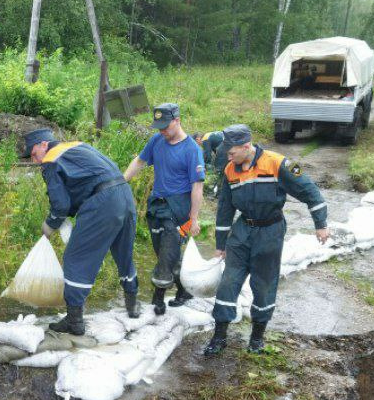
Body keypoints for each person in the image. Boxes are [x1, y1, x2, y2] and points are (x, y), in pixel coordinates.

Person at [202, 124, 329, 356]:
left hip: (270, 232)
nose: (227, 156)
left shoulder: (279, 163)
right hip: (242, 233)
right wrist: (221, 245)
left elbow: (310, 190)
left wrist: (321, 224)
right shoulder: (231, 170)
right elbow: (225, 209)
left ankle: (257, 337)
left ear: (246, 146)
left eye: (231, 151)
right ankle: (219, 337)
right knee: (229, 282)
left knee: (264, 285)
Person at [24, 128, 139, 335]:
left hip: (103, 201)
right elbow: (86, 181)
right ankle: (133, 306)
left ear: (43, 144)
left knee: (75, 258)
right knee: (124, 253)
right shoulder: (77, 146)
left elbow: (60, 205)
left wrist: (49, 226)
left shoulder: (50, 160)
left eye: (33, 154)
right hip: (125, 195)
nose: (35, 161)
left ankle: (74, 321)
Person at [124, 103, 205, 315]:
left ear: (177, 121)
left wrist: (194, 219)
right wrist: (121, 181)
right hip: (157, 206)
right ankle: (184, 290)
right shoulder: (157, 141)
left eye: (165, 126)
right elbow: (140, 162)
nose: (162, 131)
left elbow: (197, 187)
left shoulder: (192, 150)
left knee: (168, 253)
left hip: (179, 210)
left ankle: (157, 301)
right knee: (164, 253)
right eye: (159, 127)